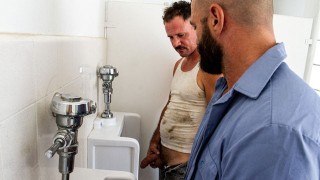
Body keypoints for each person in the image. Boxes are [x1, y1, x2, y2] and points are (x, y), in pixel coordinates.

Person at [186, 0, 320, 179]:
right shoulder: (229, 88)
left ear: (216, 20)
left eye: (195, 27)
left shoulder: (275, 133)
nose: (195, 39)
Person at [139, 1, 221, 180]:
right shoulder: (178, 65)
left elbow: (215, 121)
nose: (176, 43)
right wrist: (155, 140)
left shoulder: (208, 69)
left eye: (181, 35)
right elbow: (171, 104)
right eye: (170, 37)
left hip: (187, 169)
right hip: (166, 166)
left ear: (197, 27)